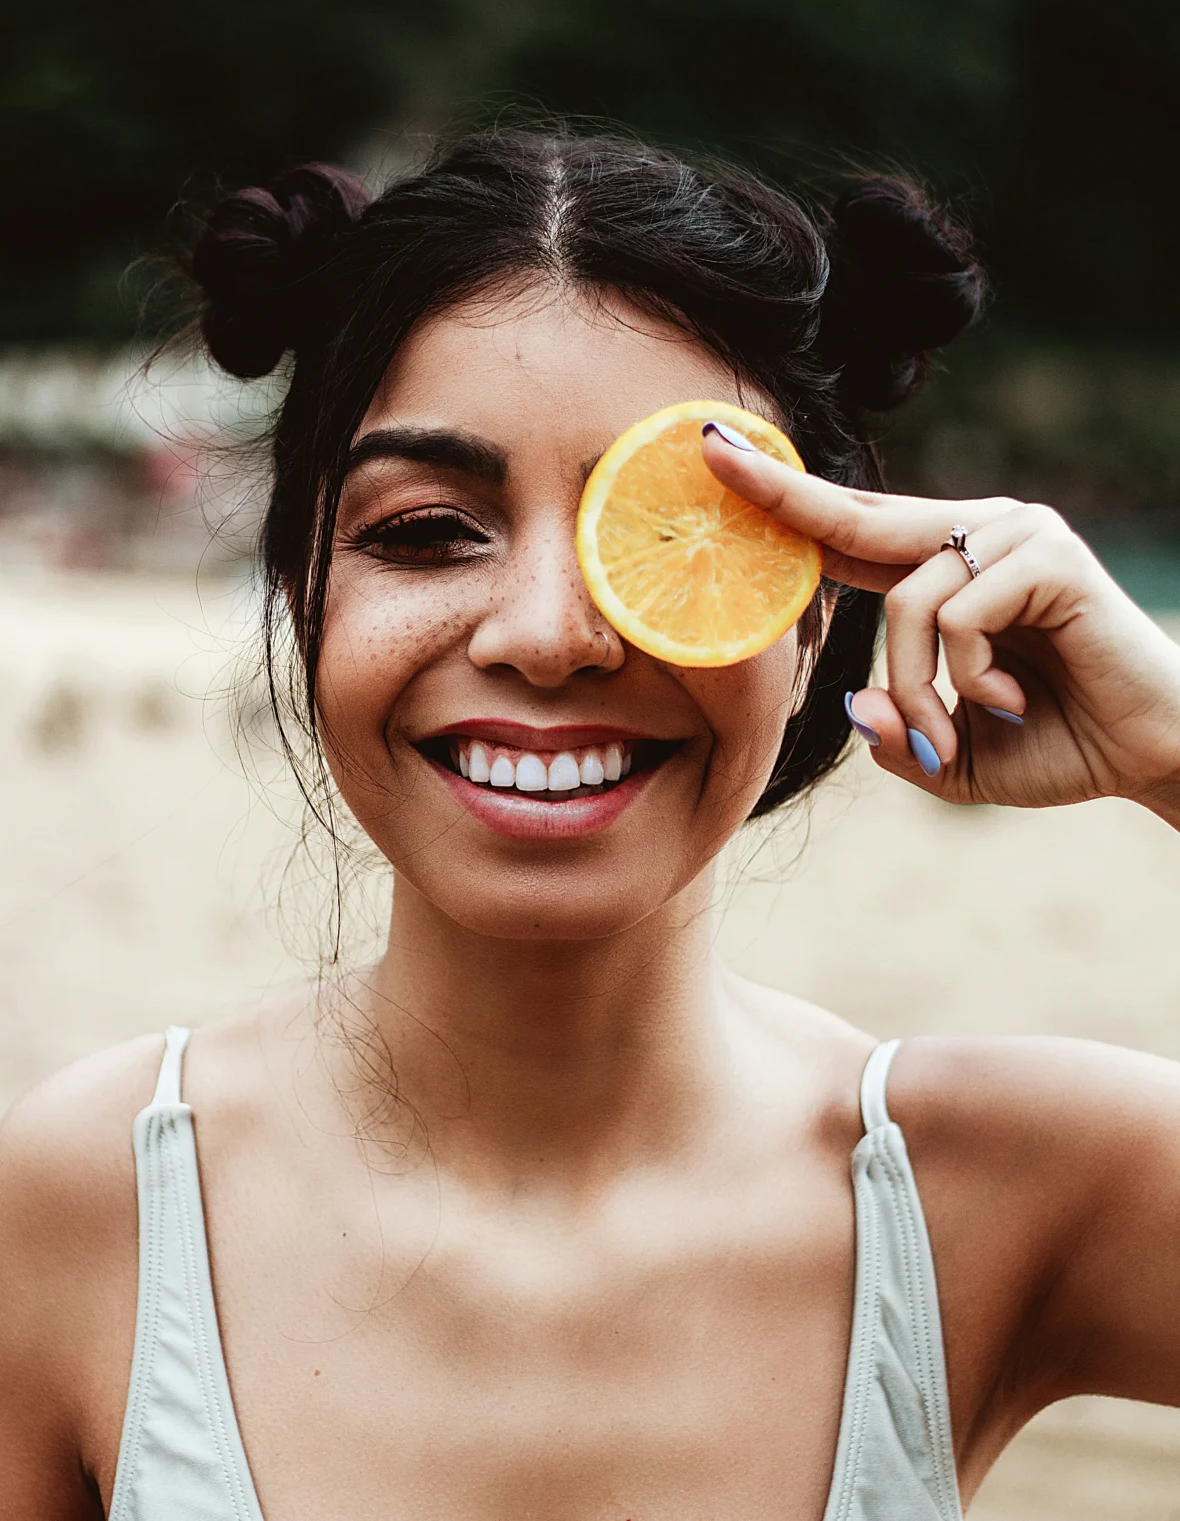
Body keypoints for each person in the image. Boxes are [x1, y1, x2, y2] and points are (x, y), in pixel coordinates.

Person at [2, 129, 1179, 1521]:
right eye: (429, 528)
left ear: (813, 610)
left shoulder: (1005, 1188)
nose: (553, 636)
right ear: (305, 591)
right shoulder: (78, 1212)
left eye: (684, 533)